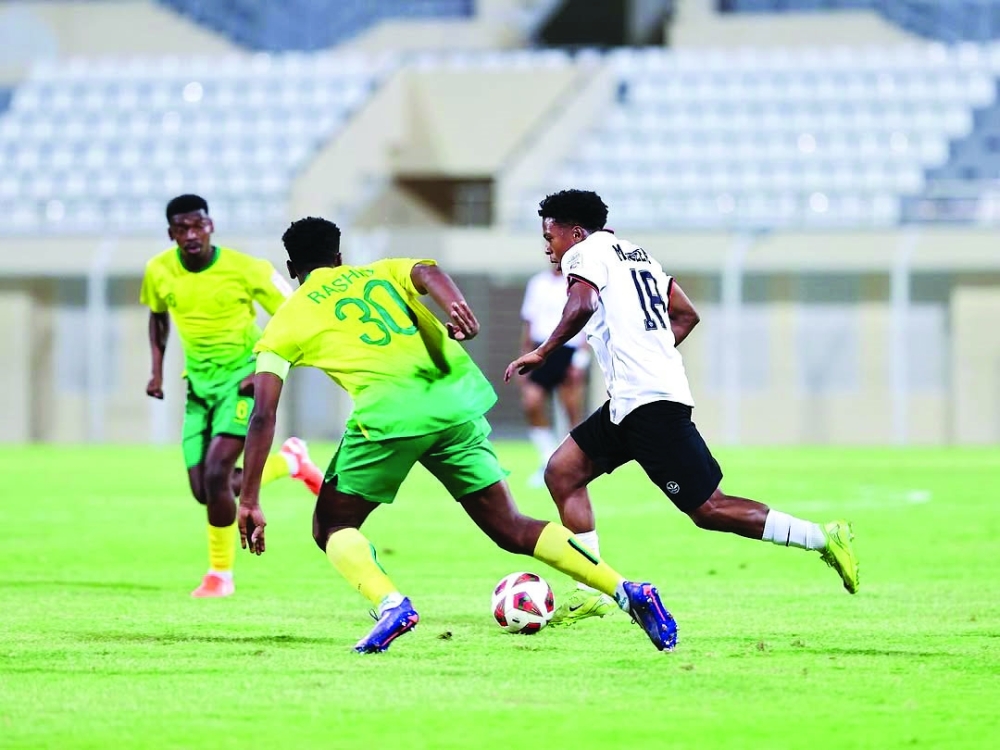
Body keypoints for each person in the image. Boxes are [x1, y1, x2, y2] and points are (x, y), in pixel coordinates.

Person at [235, 216, 678, 654]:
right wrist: (457, 308)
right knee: (511, 527)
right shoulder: (380, 272)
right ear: (339, 256)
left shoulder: (286, 320)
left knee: (332, 525)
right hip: (455, 402)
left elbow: (263, 415)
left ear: (291, 268)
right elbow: (427, 272)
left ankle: (392, 605)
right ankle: (626, 591)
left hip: (391, 417)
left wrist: (251, 498)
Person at [504, 189, 860, 626]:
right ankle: (590, 590)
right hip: (629, 401)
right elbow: (686, 313)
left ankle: (822, 537)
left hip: (650, 403)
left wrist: (544, 350)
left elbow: (582, 303)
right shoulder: (638, 255)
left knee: (709, 509)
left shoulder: (586, 252)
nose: (548, 248)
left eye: (550, 237)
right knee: (562, 472)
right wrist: (651, 349)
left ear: (575, 233)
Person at [140, 194, 324, 599]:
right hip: (199, 389)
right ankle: (290, 462)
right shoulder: (158, 270)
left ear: (210, 226)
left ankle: (220, 575)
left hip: (241, 382)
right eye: (182, 228)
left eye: (198, 225)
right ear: (171, 233)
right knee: (204, 490)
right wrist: (156, 371)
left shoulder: (247, 269)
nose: (191, 234)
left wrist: (263, 369)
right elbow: (157, 318)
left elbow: (296, 312)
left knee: (216, 474)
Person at [518, 264, 591, 487]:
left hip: (569, 349)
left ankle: (575, 464)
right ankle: (546, 459)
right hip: (542, 349)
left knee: (571, 410)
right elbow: (529, 323)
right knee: (532, 402)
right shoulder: (537, 283)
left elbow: (588, 321)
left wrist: (580, 359)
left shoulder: (579, 283)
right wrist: (524, 355)